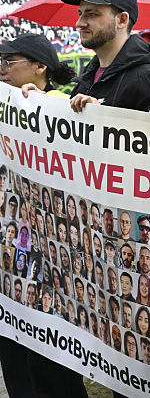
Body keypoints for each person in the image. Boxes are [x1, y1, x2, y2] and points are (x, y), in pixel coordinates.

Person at [0, 34, 79, 397]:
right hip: (10, 257)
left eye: (7, 62)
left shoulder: (60, 104)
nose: (0, 70)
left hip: (52, 260)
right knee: (14, 358)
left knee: (49, 365)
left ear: (39, 66)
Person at [55, 0, 150, 116]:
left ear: (122, 20)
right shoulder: (89, 74)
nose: (79, 23)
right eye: (80, 14)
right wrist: (40, 103)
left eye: (91, 14)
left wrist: (102, 115)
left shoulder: (149, 79)